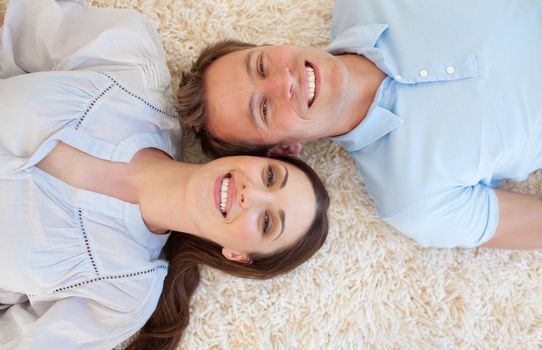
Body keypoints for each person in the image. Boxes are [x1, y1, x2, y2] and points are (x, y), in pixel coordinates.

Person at [0, 1, 330, 349]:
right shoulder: (132, 63)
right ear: (253, 156)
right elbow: (18, 26)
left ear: (236, 253)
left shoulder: (124, 294)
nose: (252, 193)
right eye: (270, 177)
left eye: (266, 222)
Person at [178, 0, 542, 250]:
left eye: (260, 66)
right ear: (283, 150)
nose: (282, 82)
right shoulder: (413, 201)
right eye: (264, 110)